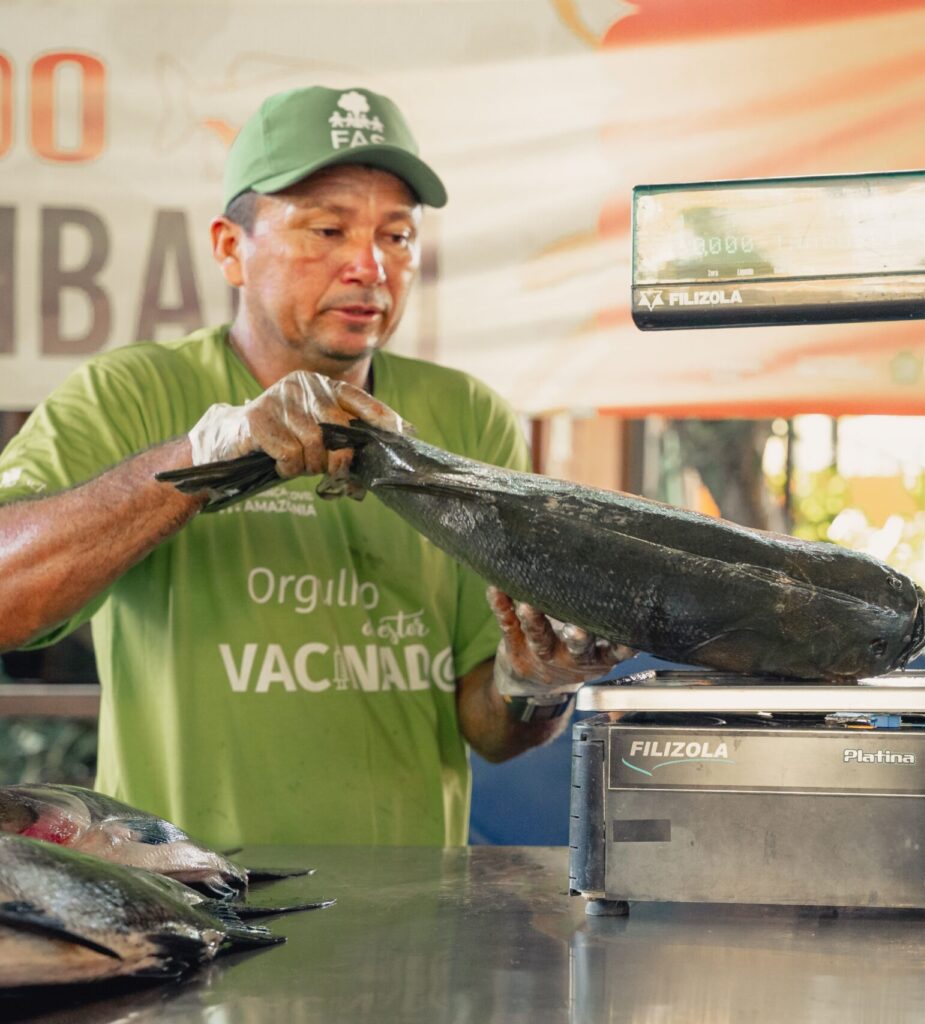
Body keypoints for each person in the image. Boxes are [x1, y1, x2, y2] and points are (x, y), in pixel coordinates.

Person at [0, 86, 624, 847]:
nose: (369, 265)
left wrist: (537, 684)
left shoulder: (466, 416)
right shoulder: (131, 394)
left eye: (397, 235)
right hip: (192, 895)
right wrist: (203, 457)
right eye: (327, 229)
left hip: (413, 899)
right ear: (231, 248)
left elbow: (490, 729)